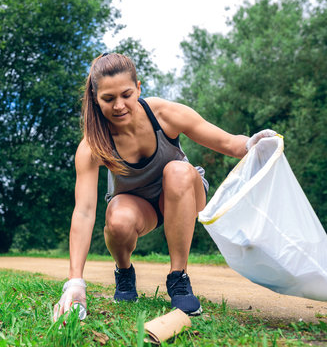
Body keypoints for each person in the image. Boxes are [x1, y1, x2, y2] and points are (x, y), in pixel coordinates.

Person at [52, 53, 276, 321]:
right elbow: (85, 212)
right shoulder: (92, 145)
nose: (119, 106)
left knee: (178, 170)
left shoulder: (164, 114)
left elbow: (229, 143)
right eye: (108, 99)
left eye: (126, 94)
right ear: (96, 99)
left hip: (184, 193)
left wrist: (253, 144)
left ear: (138, 87)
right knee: (117, 219)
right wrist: (75, 280)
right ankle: (124, 273)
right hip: (138, 206)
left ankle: (178, 277)